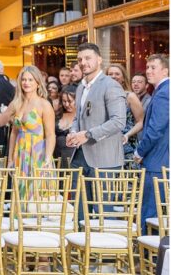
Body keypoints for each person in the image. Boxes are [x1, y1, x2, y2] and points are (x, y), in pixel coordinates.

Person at [66, 42, 127, 220]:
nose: (83, 62)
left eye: (87, 58)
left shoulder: (111, 85)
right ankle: (79, 246)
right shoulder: (80, 87)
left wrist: (87, 134)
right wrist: (73, 132)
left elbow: (118, 122)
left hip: (105, 158)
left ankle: (103, 248)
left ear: (99, 59)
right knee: (78, 212)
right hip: (79, 157)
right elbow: (78, 117)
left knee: (104, 214)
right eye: (80, 59)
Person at [6, 66, 56, 196]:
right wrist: (10, 159)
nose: (26, 83)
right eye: (23, 79)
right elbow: (14, 133)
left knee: (36, 195)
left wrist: (47, 159)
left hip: (37, 154)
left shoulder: (44, 105)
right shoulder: (17, 104)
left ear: (38, 83)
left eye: (30, 80)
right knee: (20, 193)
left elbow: (50, 135)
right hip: (20, 153)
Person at [134, 55, 169, 232]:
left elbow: (155, 130)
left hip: (157, 160)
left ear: (166, 70)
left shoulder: (164, 93)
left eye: (153, 67)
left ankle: (146, 253)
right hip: (160, 159)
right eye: (147, 67)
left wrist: (139, 152)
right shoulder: (162, 91)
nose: (148, 71)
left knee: (149, 210)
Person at [106, 64, 144, 159]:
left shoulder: (130, 96)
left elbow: (141, 122)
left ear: (123, 78)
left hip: (126, 146)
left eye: (117, 74)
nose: (113, 76)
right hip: (105, 147)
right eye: (110, 74)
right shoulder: (101, 97)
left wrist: (127, 135)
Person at [55, 85, 78, 167]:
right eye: (64, 101)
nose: (67, 104)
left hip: (75, 158)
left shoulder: (82, 117)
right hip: (57, 157)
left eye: (70, 101)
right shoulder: (57, 116)